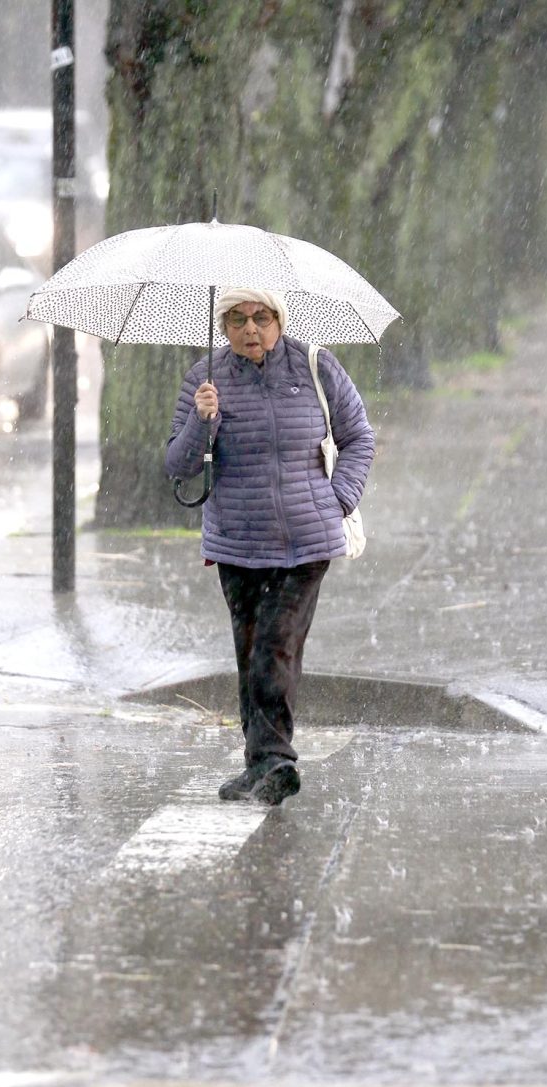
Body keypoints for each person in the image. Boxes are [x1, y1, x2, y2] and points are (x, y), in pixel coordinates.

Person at [164, 288, 375, 806]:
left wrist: (337, 500)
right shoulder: (204, 380)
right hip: (237, 545)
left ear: (279, 319)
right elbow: (179, 465)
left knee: (274, 649)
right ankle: (258, 763)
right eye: (236, 319)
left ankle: (277, 760)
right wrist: (202, 420)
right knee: (250, 653)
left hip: (306, 543)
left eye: (260, 318)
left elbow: (359, 438)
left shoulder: (316, 367)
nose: (249, 329)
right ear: (224, 326)